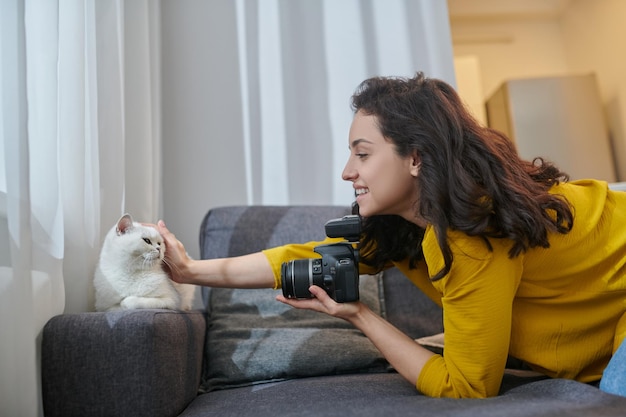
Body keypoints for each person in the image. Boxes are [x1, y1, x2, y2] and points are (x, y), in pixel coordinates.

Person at [156, 72, 626, 399]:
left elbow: (464, 388)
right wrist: (191, 270)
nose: (346, 172)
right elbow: (303, 256)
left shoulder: (474, 235)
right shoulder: (403, 226)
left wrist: (360, 316)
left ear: (416, 158)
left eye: (362, 154)